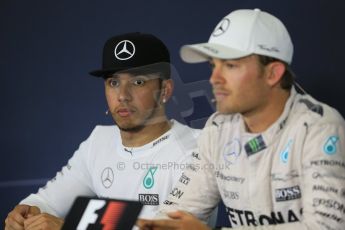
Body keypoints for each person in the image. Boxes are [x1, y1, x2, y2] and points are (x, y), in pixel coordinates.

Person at [137, 9, 345, 230]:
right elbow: (177, 214)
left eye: (230, 65)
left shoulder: (320, 128)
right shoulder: (218, 128)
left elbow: (326, 227)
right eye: (213, 65)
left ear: (272, 74)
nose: (214, 78)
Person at [4, 32, 199, 230]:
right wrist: (27, 211)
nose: (123, 95)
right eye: (113, 82)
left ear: (165, 89)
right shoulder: (98, 141)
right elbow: (47, 202)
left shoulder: (195, 149)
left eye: (138, 82)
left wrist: (71, 228)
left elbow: (167, 228)